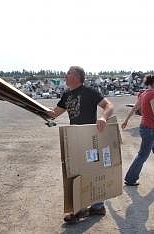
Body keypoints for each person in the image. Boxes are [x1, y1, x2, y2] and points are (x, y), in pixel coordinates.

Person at [48, 66, 114, 223]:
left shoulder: (90, 92)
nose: (66, 75)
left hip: (90, 138)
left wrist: (103, 117)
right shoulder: (66, 95)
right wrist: (36, 109)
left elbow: (109, 106)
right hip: (75, 138)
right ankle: (87, 207)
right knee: (77, 172)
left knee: (92, 170)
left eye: (69, 72)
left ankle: (90, 208)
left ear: (77, 76)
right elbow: (54, 113)